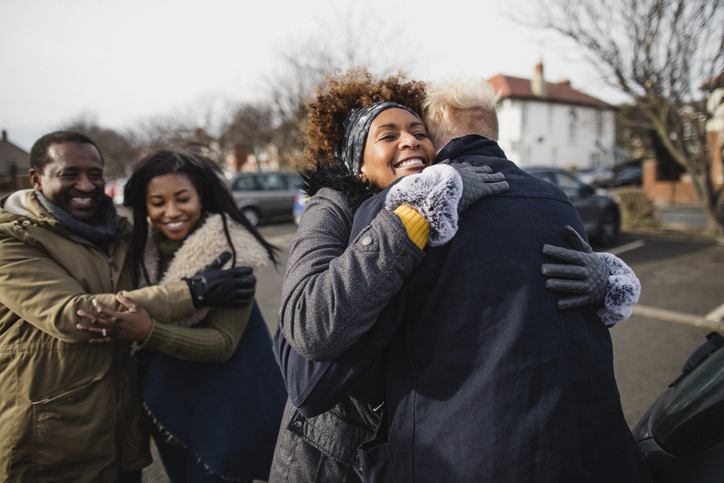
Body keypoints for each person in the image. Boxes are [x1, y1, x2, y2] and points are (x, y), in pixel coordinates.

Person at [269, 70, 641, 482]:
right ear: (357, 165)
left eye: (418, 130)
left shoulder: (443, 203)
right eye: (388, 135)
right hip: (328, 452)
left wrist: (604, 282)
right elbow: (305, 358)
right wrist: (413, 216)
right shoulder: (334, 207)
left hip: (395, 443)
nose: (409, 141)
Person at [0, 133, 253, 482]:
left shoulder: (122, 234)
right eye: (70, 173)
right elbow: (72, 314)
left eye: (95, 173)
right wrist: (194, 290)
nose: (86, 185)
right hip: (51, 439)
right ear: (36, 179)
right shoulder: (11, 239)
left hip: (122, 439)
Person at [75, 150, 288, 482]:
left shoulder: (229, 248)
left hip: (224, 413)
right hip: (170, 413)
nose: (171, 212)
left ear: (201, 197)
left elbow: (224, 343)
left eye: (182, 198)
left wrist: (149, 332)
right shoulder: (139, 250)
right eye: (157, 202)